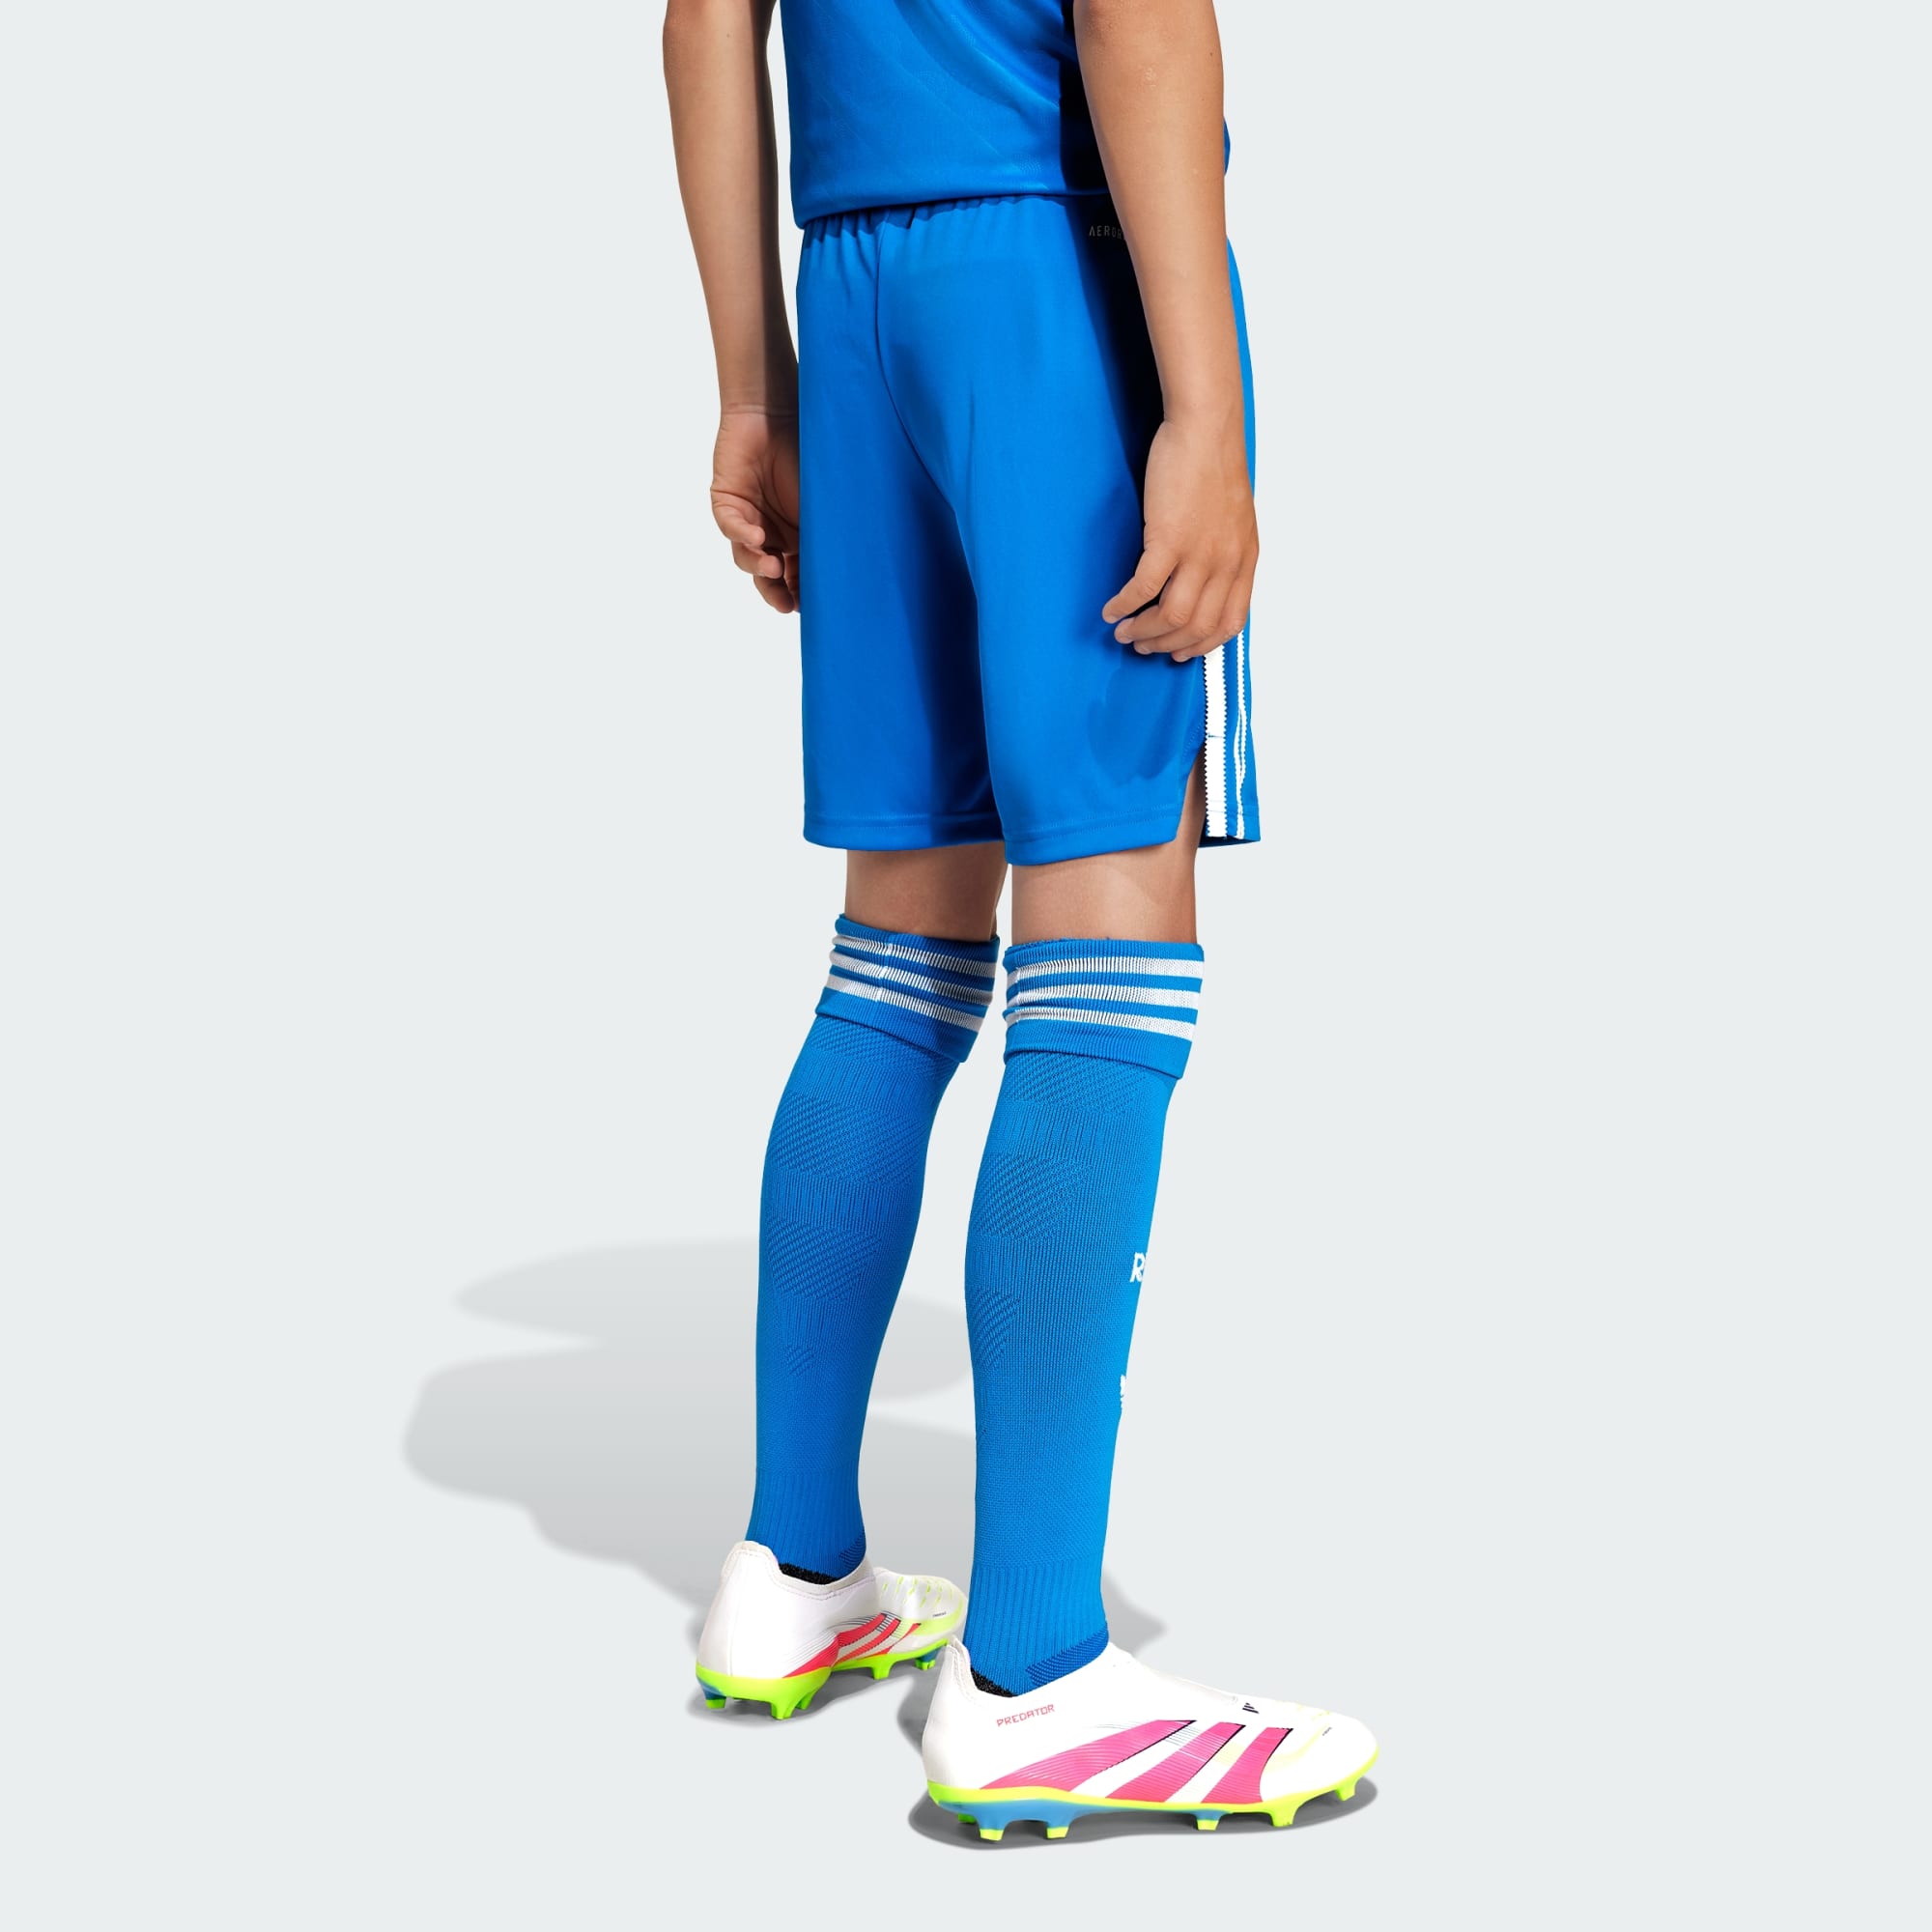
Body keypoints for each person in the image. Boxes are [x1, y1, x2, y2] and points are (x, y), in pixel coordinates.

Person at [665, 0, 1375, 1838]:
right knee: (1111, 928)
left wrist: (755, 390)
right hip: (1055, 270)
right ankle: (1037, 1672)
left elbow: (704, 17)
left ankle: (795, 1569)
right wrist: (1201, 410)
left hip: (854, 286)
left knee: (897, 949)